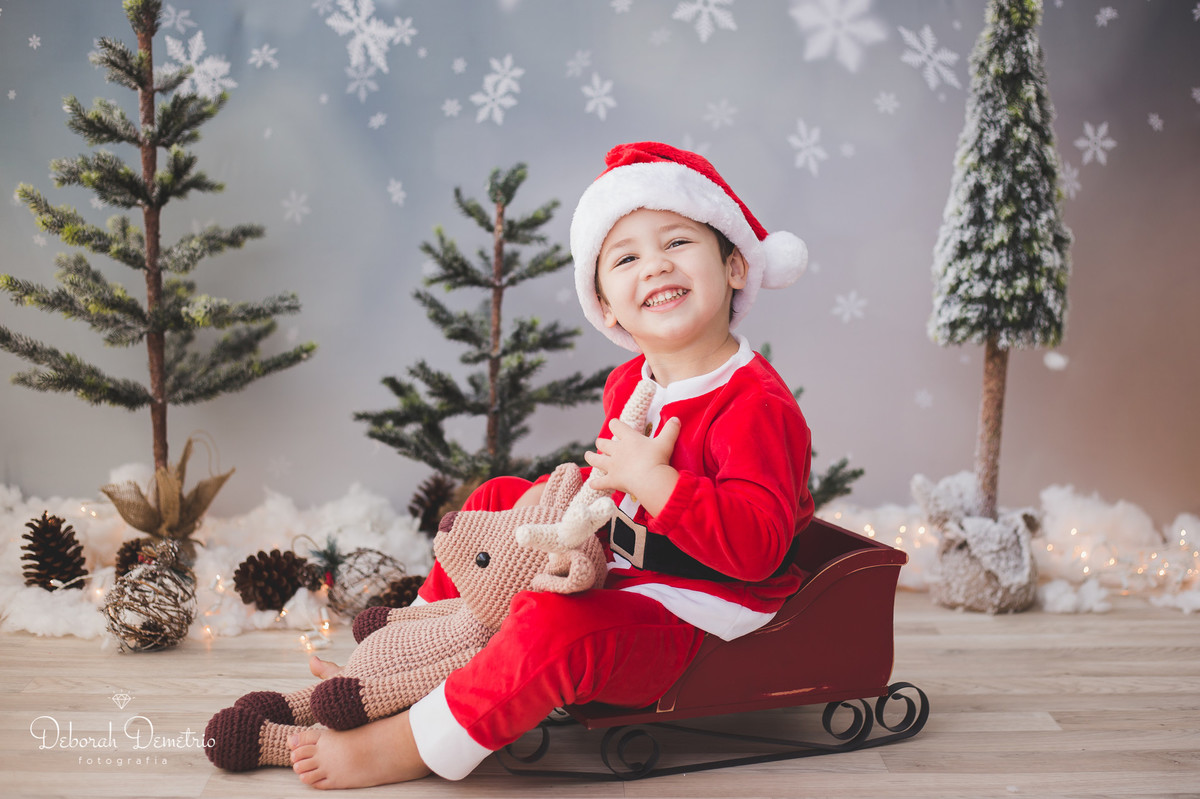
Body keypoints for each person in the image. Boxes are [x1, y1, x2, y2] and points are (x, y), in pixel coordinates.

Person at [288, 141, 815, 789]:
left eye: (678, 243)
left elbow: (758, 549)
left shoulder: (754, 404)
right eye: (626, 258)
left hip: (697, 609)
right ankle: (411, 649)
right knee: (499, 499)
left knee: (555, 627)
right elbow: (609, 493)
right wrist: (563, 516)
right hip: (623, 563)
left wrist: (656, 482)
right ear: (607, 306)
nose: (655, 265)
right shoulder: (631, 382)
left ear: (734, 266)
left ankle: (409, 743)